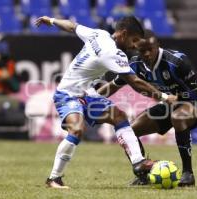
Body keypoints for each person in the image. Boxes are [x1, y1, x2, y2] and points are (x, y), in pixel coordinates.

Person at [34, 16, 178, 189]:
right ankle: (54, 179)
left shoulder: (99, 34)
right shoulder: (113, 52)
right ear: (124, 34)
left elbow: (72, 26)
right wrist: (163, 97)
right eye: (134, 41)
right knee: (77, 129)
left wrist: (50, 20)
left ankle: (139, 163)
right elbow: (135, 82)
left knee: (119, 116)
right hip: (68, 94)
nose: (135, 46)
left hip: (88, 94)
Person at [98, 30, 197, 186]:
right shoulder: (135, 65)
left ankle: (188, 174)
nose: (147, 54)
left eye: (151, 49)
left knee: (178, 117)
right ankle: (144, 175)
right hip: (168, 104)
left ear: (158, 46)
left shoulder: (177, 61)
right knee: (129, 132)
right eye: (143, 50)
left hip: (194, 104)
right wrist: (89, 99)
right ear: (136, 48)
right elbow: (113, 86)